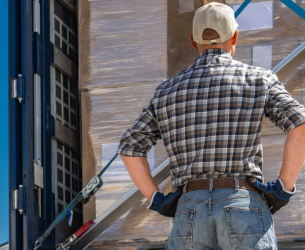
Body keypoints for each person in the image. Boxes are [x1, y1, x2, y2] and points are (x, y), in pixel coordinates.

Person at [116, 2, 305, 250]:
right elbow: (300, 123)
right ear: (235, 36)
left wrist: (157, 199)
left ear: (194, 42)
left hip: (189, 210)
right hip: (243, 205)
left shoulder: (166, 91)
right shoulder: (260, 80)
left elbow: (130, 148)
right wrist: (283, 188)